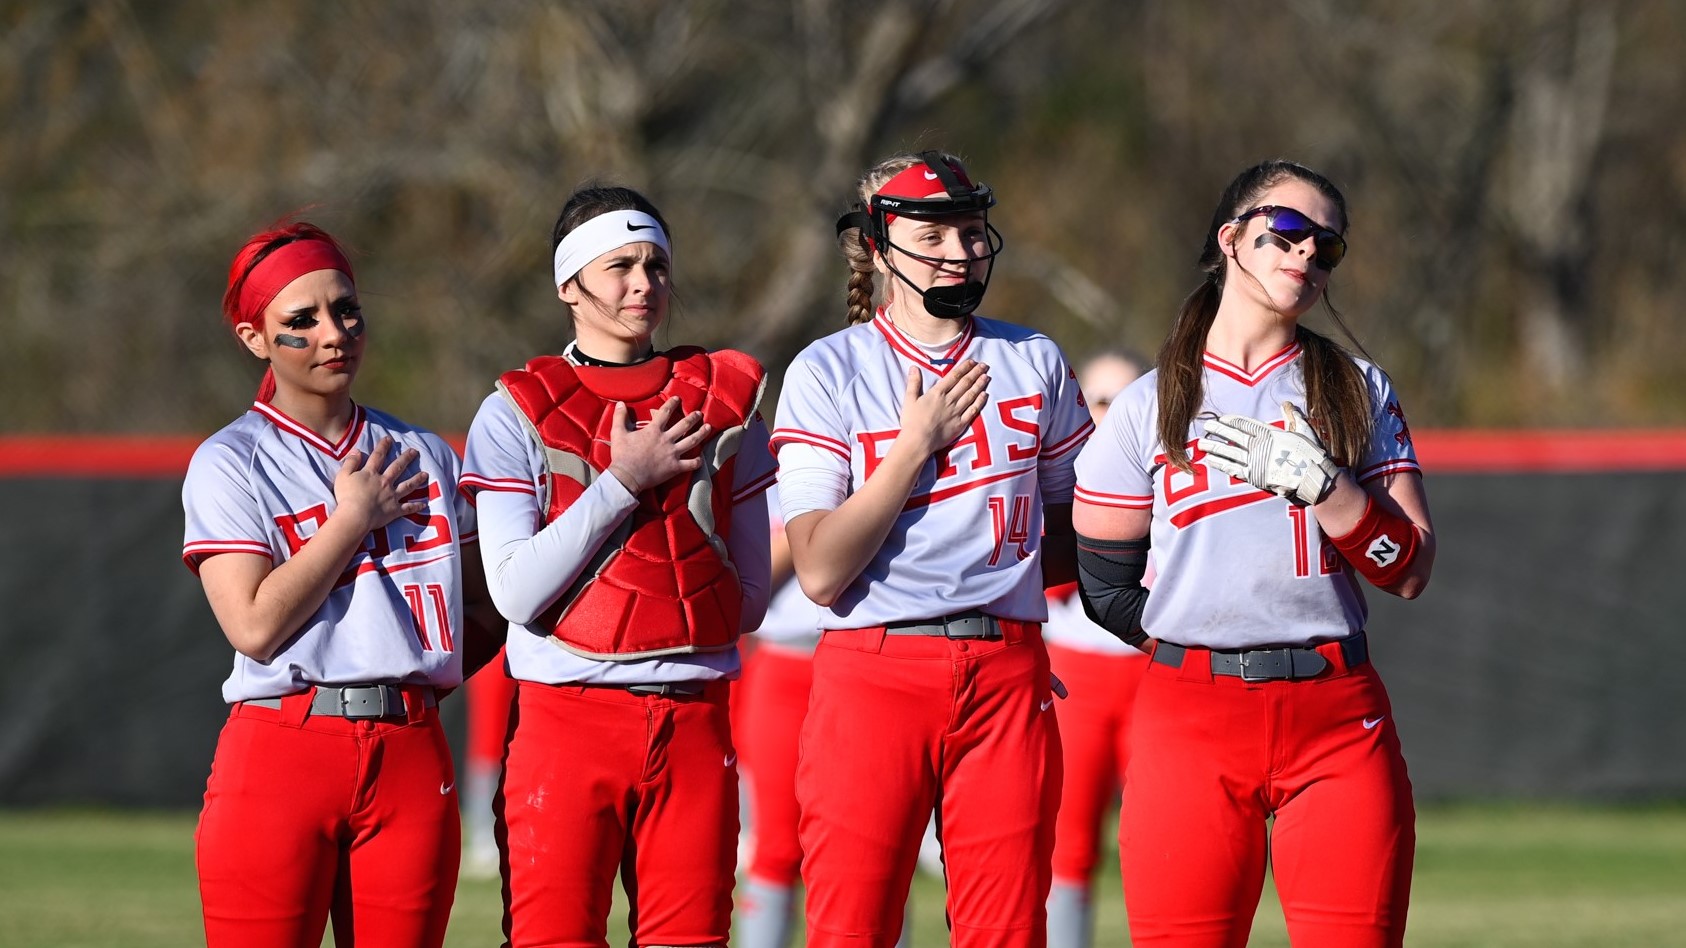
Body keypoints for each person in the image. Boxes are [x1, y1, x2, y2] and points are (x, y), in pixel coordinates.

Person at [1071, 159, 1434, 947]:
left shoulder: (1357, 386)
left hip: (1336, 715)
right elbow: (1104, 587)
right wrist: (1197, 646)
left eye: (1327, 247)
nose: (1306, 255)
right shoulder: (1145, 403)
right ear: (1232, 238)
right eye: (1288, 232)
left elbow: (1408, 569)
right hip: (1190, 718)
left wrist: (1329, 489)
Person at [772, 150, 1093, 947]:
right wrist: (913, 448)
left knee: (1008, 931)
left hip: (1008, 671)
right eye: (935, 233)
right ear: (880, 246)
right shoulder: (830, 368)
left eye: (972, 230)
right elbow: (817, 568)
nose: (959, 250)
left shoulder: (1033, 359)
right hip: (874, 669)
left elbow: (1075, 539)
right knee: (854, 926)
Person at [459, 184, 775, 948]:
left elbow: (750, 601)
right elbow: (514, 591)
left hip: (694, 719)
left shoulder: (727, 401)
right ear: (569, 285)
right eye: (620, 266)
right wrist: (624, 480)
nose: (644, 284)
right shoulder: (515, 409)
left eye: (657, 264)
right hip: (566, 720)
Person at [183, 220, 494, 947]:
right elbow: (254, 628)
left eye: (345, 309)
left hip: (411, 752)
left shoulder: (422, 452)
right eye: (301, 319)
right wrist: (352, 518)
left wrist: (421, 674)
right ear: (253, 337)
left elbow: (485, 608)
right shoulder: (231, 461)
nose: (333, 332)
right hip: (283, 746)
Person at [1041, 350, 1151, 948]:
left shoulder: (1177, 470)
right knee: (1067, 845)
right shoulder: (1056, 473)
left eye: (1127, 395)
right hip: (1075, 675)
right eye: (1101, 399)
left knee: (1168, 839)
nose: (1114, 411)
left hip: (1154, 669)